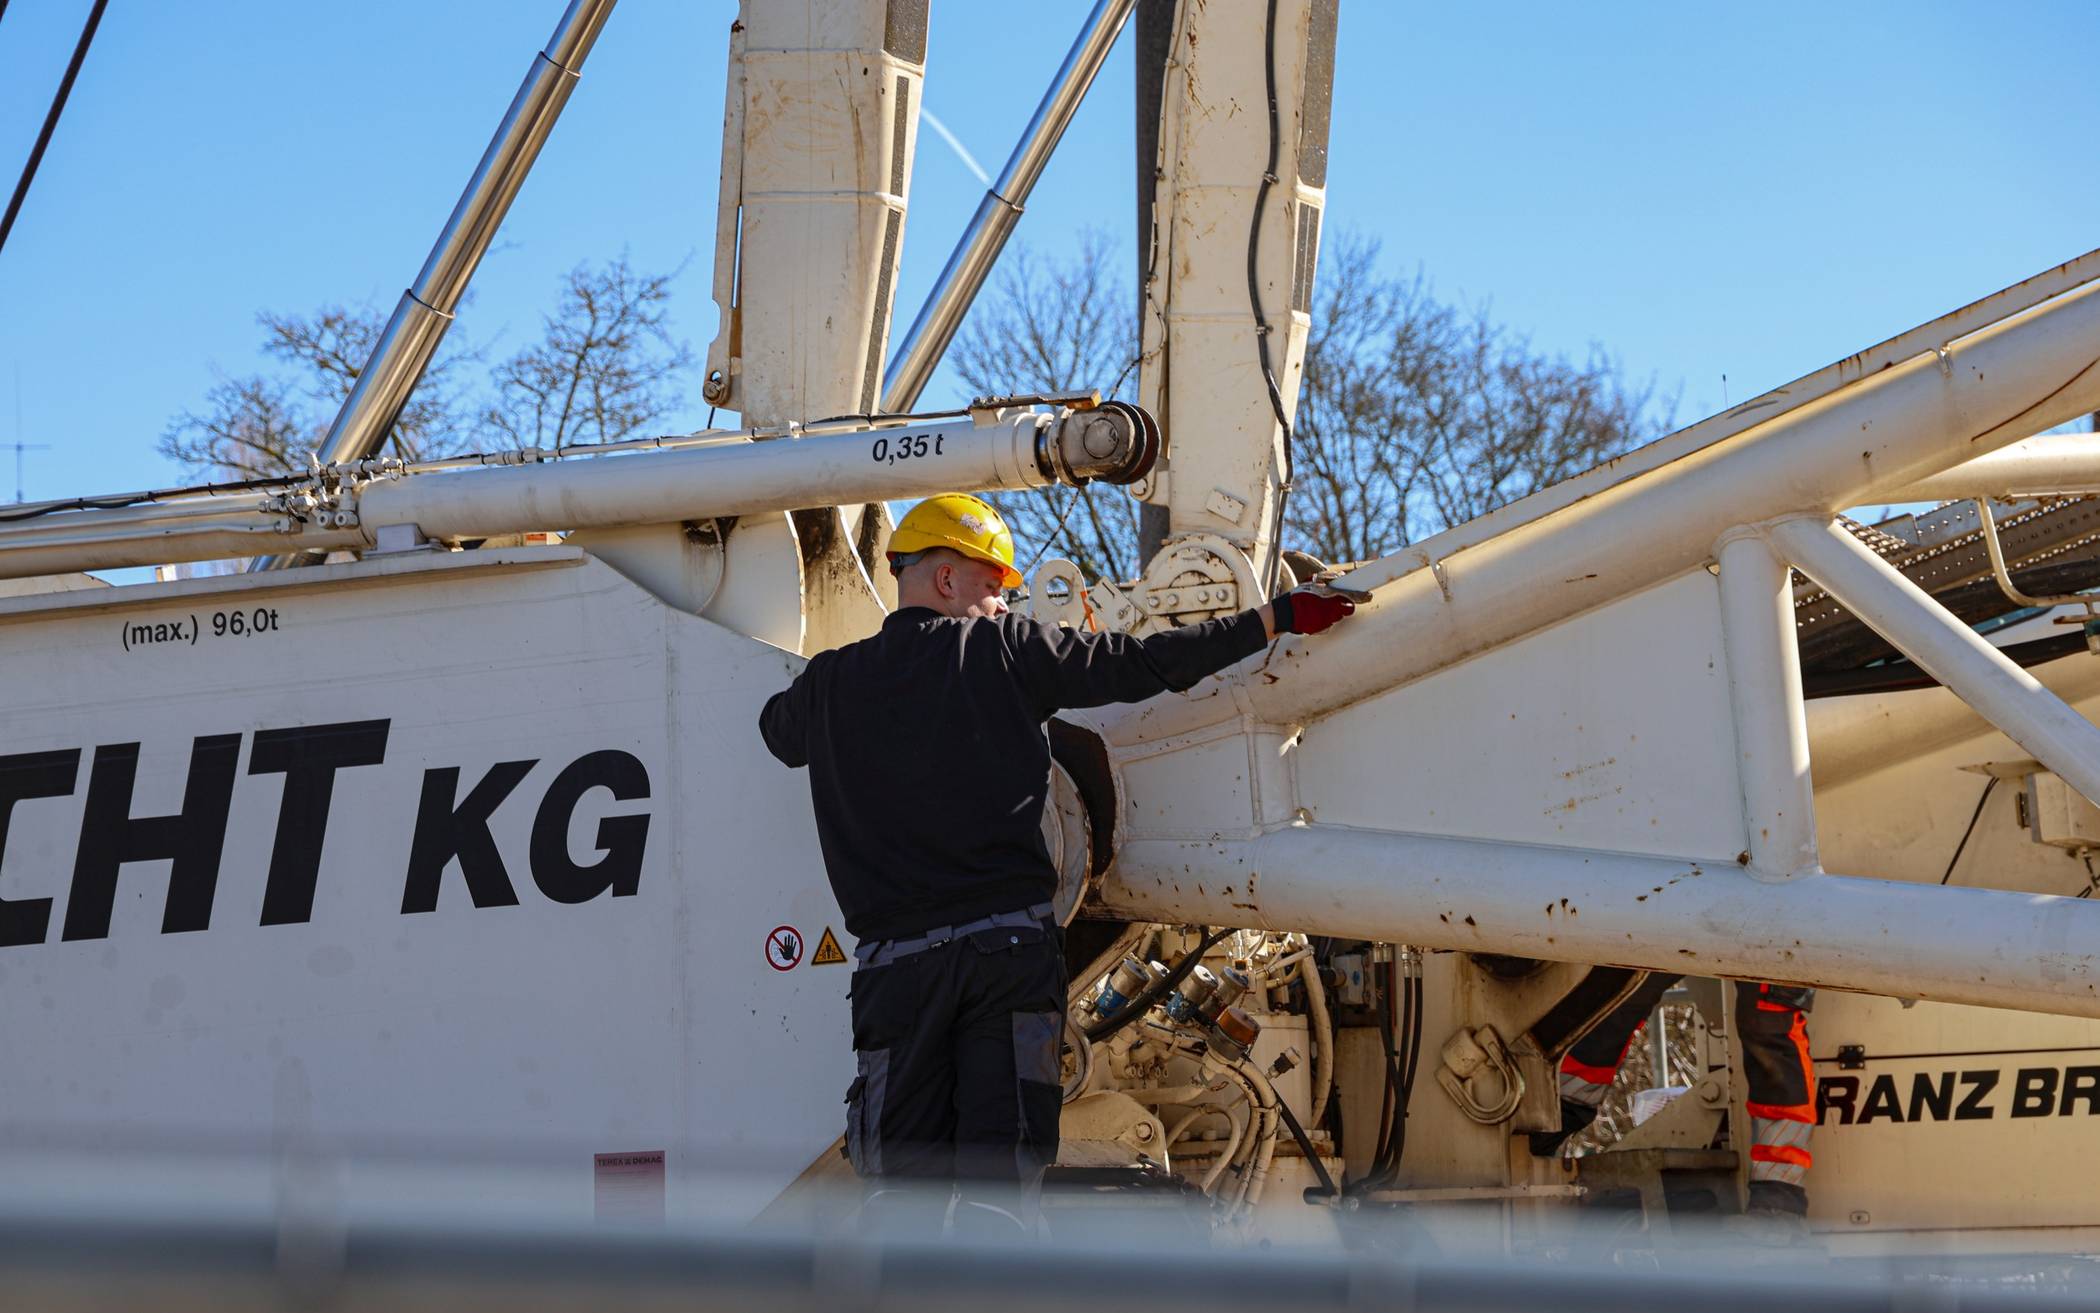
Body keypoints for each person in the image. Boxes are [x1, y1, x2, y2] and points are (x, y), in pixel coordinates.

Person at [758, 493, 1356, 1232]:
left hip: (896, 970)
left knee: (898, 1200)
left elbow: (776, 732)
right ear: (946, 579)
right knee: (999, 1193)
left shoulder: (830, 683)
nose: (1001, 602)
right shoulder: (1005, 650)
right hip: (1003, 956)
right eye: (993, 586)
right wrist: (1276, 617)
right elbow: (1149, 665)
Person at [1534, 974, 1815, 1229]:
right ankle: (1541, 1131)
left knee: (1768, 1023)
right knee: (1614, 997)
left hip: (1765, 935)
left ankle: (1779, 1201)